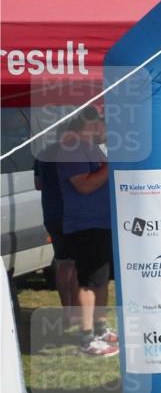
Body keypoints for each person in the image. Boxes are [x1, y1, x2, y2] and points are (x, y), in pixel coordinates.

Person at [56, 107, 118, 357]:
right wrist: (111, 166)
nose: (107, 131)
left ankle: (100, 329)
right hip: (85, 225)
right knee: (88, 282)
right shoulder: (71, 149)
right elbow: (83, 185)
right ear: (92, 123)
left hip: (99, 223)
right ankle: (87, 337)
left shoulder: (89, 148)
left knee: (100, 280)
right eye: (105, 124)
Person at [33, 127, 78, 314]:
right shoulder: (75, 154)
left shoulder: (42, 154)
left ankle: (67, 310)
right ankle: (77, 312)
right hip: (74, 216)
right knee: (76, 265)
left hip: (52, 215)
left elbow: (38, 185)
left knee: (62, 263)